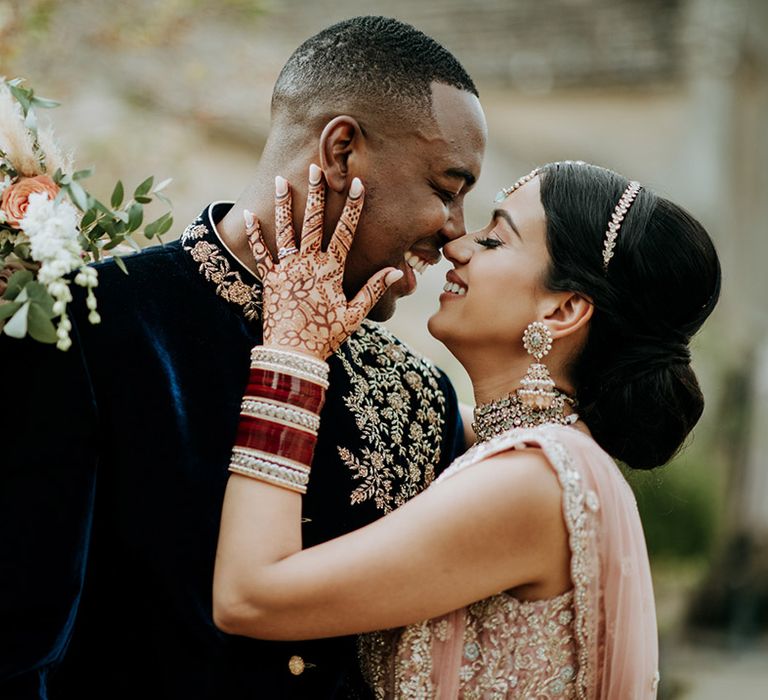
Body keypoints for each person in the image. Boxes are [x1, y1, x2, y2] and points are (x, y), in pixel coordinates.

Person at [0, 17, 486, 699]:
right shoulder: (90, 323)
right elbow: (17, 650)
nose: (456, 231)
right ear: (342, 150)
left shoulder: (421, 396)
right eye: (446, 186)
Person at [212, 160, 721, 698]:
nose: (456, 245)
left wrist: (293, 352)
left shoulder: (534, 483)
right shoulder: (522, 456)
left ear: (564, 308)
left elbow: (250, 596)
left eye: (496, 239)